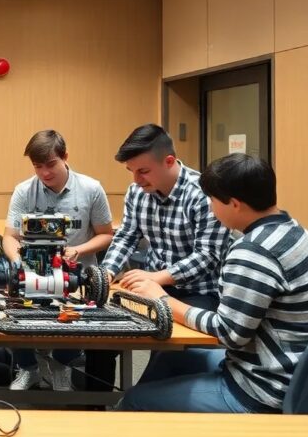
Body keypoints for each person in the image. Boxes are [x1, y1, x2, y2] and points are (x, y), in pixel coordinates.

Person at [119, 154, 308, 413]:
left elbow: (229, 334)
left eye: (212, 201)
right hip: (292, 374)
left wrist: (162, 300)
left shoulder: (252, 252)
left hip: (261, 389)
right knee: (171, 357)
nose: (210, 208)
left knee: (135, 399)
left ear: (234, 204)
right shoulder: (295, 231)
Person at [91, 124, 232, 390]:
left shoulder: (202, 194)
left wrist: (157, 278)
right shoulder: (137, 192)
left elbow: (208, 256)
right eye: (131, 171)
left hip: (198, 292)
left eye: (143, 171)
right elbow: (126, 236)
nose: (136, 180)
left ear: (169, 161)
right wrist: (107, 272)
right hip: (151, 285)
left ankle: (142, 402)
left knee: (168, 351)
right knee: (99, 331)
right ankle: (94, 406)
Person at [3, 130, 114, 392]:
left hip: (75, 275)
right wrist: (18, 259)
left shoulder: (91, 189)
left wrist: (77, 250)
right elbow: (10, 237)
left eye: (50, 164)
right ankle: (28, 368)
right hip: (34, 270)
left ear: (65, 157)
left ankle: (61, 365)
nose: (44, 173)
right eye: (37, 166)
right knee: (11, 307)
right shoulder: (24, 191)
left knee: (78, 313)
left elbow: (106, 234)